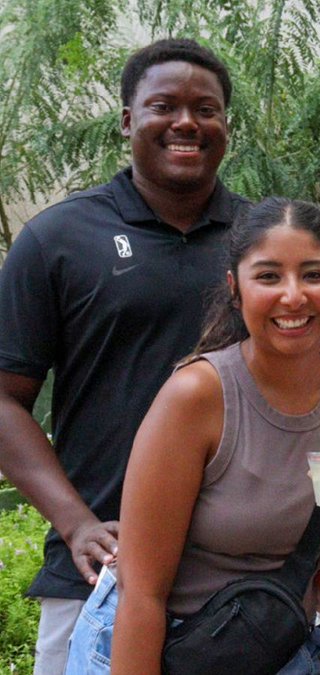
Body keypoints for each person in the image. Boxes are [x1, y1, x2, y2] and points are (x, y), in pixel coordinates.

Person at [64, 197, 320, 673]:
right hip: (159, 647)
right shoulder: (197, 397)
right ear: (235, 289)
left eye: (313, 274)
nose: (293, 296)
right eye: (268, 277)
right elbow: (142, 594)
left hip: (272, 649)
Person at [0, 39, 249, 674]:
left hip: (238, 589)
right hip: (99, 575)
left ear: (225, 125)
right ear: (128, 120)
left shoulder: (262, 245)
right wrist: (77, 522)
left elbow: (318, 396)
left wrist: (310, 577)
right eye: (163, 105)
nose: (187, 122)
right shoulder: (58, 238)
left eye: (207, 108)